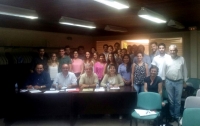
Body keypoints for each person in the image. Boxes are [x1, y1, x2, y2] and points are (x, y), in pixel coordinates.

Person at [163, 44, 188, 122]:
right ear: (169, 51)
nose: (172, 52)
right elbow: (163, 71)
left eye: (174, 50)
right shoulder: (166, 59)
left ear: (177, 51)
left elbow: (185, 70)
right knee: (171, 100)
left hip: (179, 82)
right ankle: (171, 115)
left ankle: (177, 116)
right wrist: (163, 81)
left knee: (177, 100)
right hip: (168, 81)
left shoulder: (181, 59)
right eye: (171, 50)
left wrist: (185, 81)